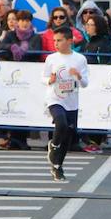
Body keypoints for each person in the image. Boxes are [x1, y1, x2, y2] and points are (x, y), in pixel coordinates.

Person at [43, 26, 89, 182]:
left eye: (59, 40)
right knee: (60, 123)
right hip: (54, 99)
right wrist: (50, 80)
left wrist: (79, 76)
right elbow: (43, 78)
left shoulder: (80, 59)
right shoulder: (51, 59)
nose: (56, 43)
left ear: (70, 41)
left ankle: (57, 167)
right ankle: (54, 146)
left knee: (68, 136)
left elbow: (85, 83)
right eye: (54, 41)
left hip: (72, 101)